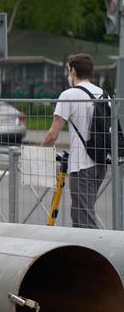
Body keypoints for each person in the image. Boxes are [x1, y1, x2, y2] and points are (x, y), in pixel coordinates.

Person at [42, 53, 106, 228]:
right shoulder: (102, 93)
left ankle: (96, 251)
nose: (68, 75)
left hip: (82, 165)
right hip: (100, 162)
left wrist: (39, 151)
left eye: (69, 71)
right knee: (79, 212)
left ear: (73, 71)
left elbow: (53, 134)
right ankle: (81, 251)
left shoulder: (68, 95)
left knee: (84, 218)